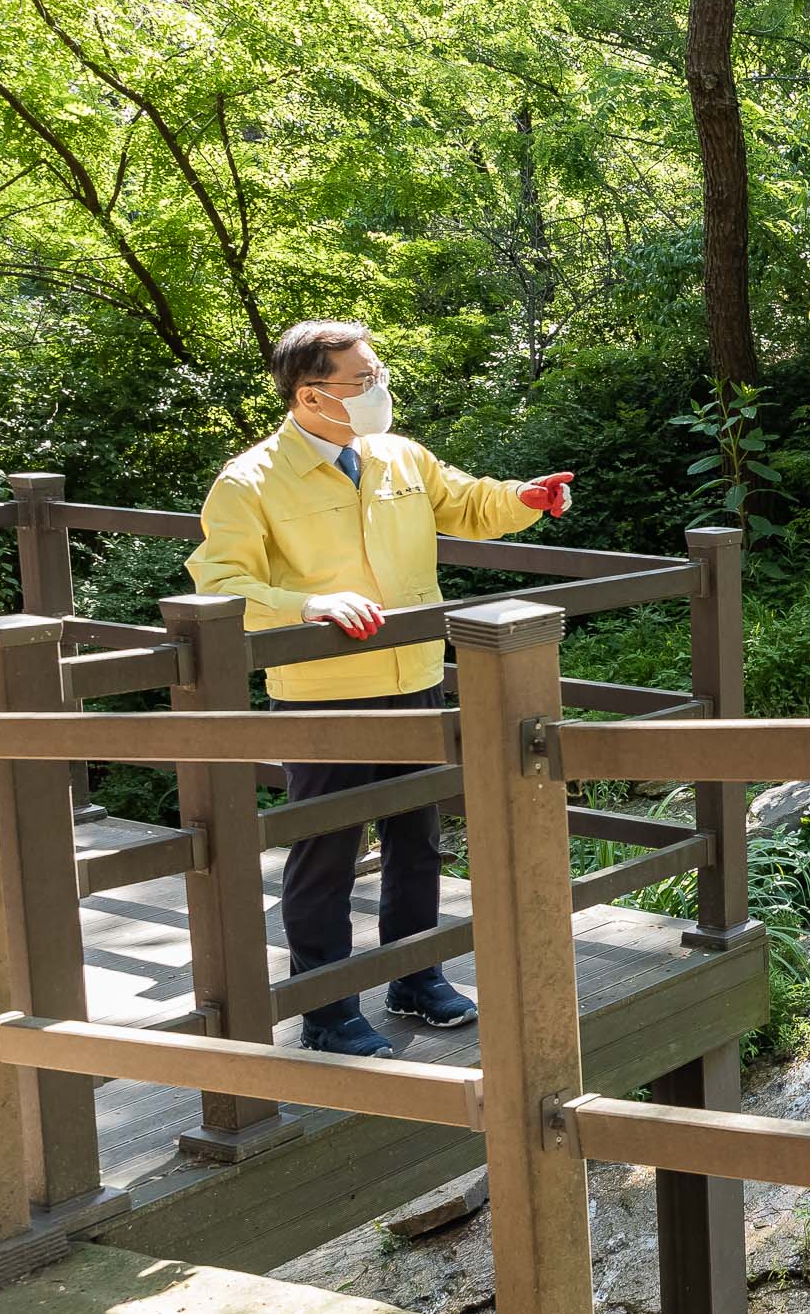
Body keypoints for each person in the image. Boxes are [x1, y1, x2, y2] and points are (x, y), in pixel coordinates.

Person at [187, 322, 577, 1059]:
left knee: (416, 840)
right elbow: (219, 581)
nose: (379, 388)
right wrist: (306, 605)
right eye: (362, 380)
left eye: (377, 372)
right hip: (322, 691)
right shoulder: (249, 480)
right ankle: (326, 1010)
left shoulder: (398, 454)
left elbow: (465, 503)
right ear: (311, 395)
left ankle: (414, 977)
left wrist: (525, 497)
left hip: (416, 674)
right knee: (326, 851)